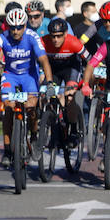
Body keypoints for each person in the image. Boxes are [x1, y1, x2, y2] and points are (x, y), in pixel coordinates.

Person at [0, 7, 54, 164]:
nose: (15, 31)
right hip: (10, 76)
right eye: (12, 27)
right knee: (8, 109)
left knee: (31, 106)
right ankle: (8, 150)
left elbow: (43, 59)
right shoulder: (1, 38)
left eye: (19, 27)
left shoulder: (33, 36)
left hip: (29, 76)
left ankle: (35, 134)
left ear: (25, 25)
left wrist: (49, 82)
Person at [39, 17, 88, 146]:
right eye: (53, 36)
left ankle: (73, 129)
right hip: (53, 70)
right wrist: (40, 74)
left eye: (59, 36)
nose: (55, 40)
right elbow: (34, 61)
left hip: (71, 69)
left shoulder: (74, 43)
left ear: (65, 34)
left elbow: (91, 61)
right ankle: (48, 121)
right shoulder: (43, 42)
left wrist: (88, 80)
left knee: (70, 97)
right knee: (43, 94)